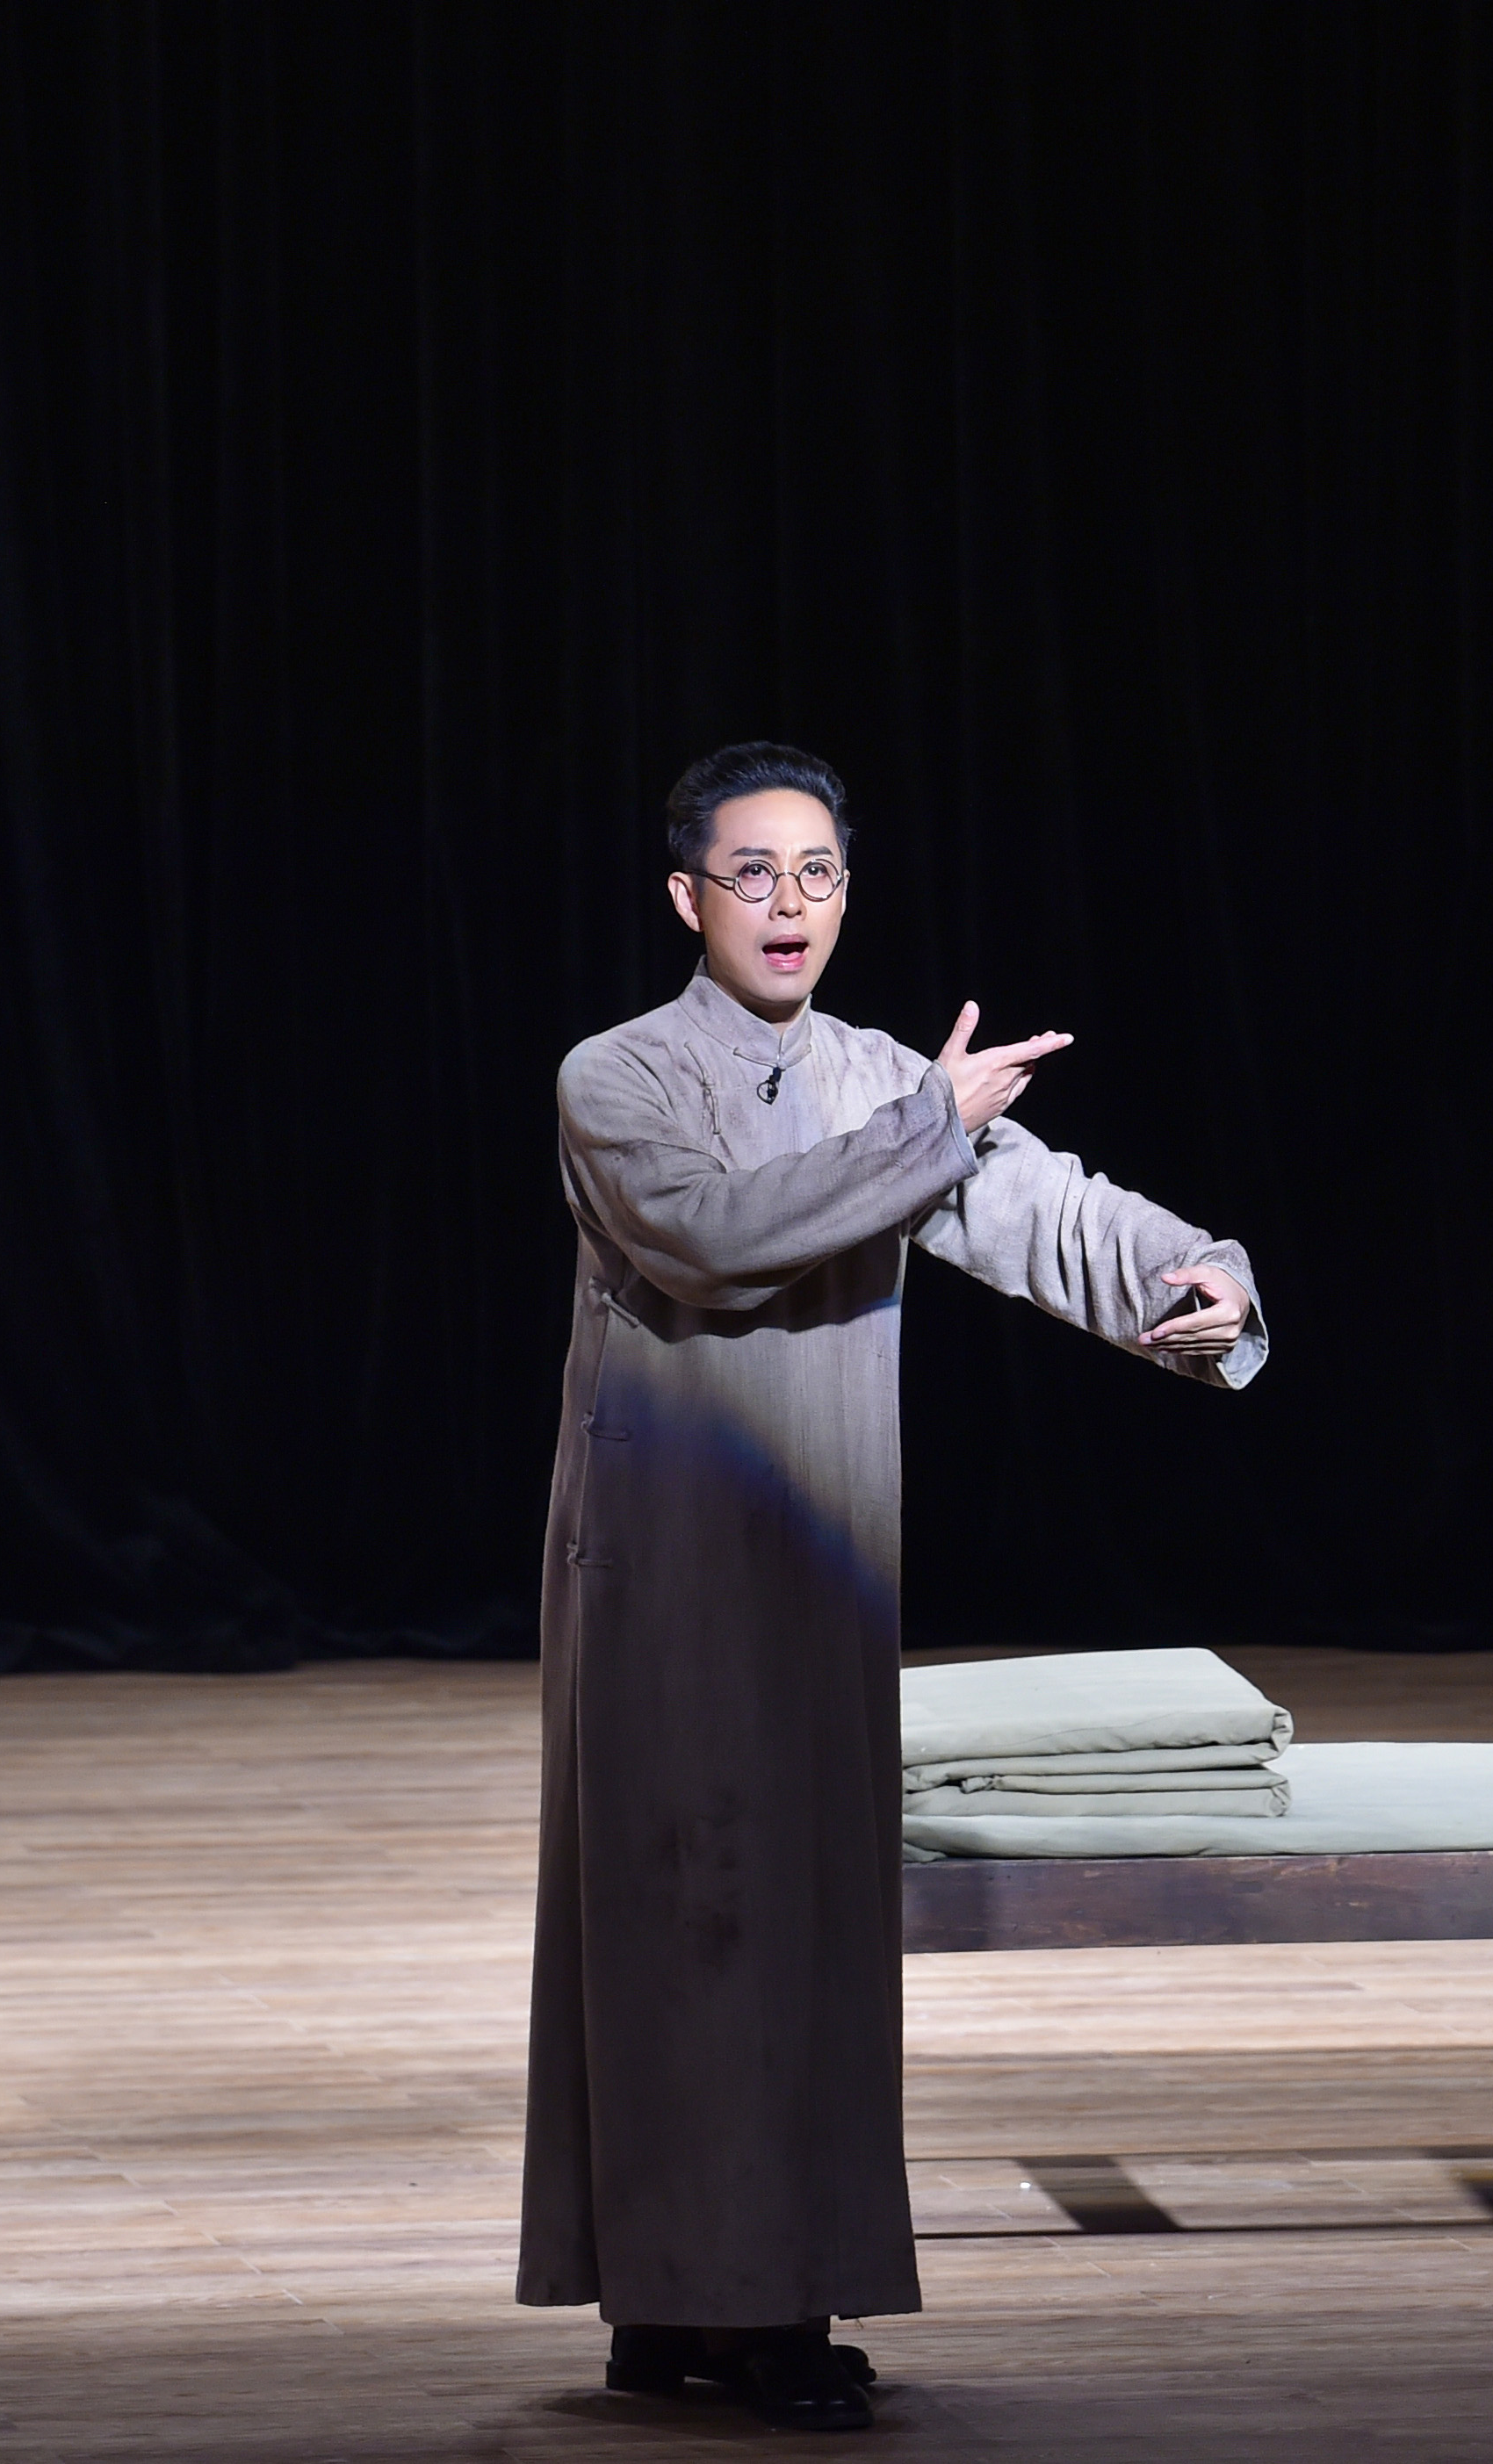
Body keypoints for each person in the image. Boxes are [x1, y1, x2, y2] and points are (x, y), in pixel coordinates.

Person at [516, 743, 1265, 2430]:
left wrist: (1196, 1273)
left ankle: (745, 2291)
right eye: (753, 871)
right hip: (664, 1568)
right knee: (675, 1914)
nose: (789, 902)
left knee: (798, 1926)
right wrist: (934, 1123)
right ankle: (696, 2297)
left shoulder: (878, 1078)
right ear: (687, 897)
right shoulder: (616, 1074)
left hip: (823, 1566)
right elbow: (714, 1235)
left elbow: (1042, 1208)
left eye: (820, 872)